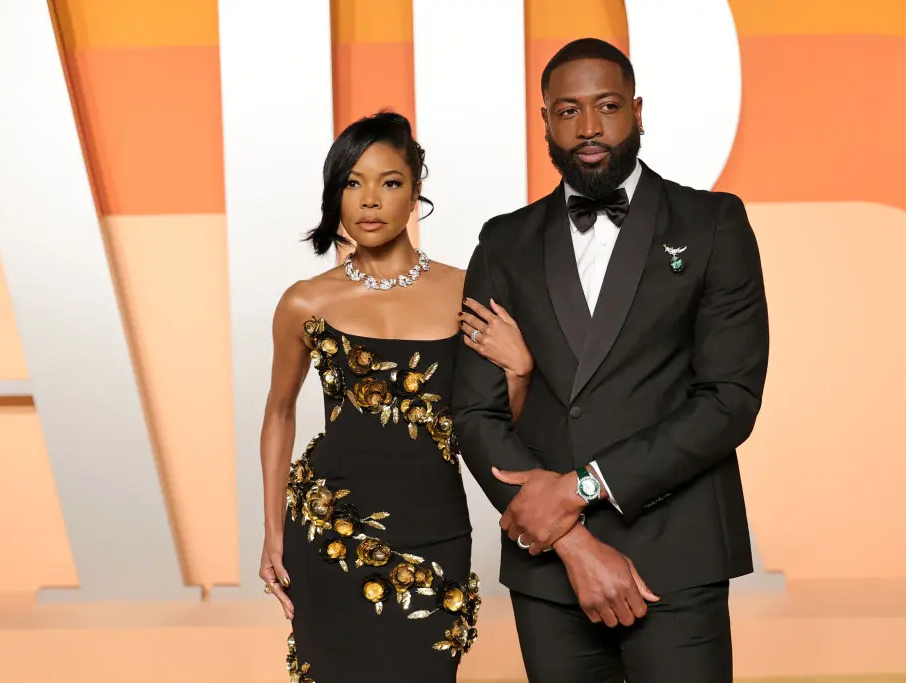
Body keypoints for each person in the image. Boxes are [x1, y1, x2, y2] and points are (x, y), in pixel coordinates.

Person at [452, 38, 770, 682]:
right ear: (545, 121)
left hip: (677, 554)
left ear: (638, 111)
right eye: (568, 111)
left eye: (607, 106)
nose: (589, 128)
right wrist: (568, 539)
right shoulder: (504, 241)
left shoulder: (711, 223)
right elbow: (475, 412)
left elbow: (729, 400)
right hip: (549, 567)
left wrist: (582, 487)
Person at [257, 112, 528, 682]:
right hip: (327, 531)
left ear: (416, 189)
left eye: (390, 182)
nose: (369, 200)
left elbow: (500, 424)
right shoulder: (305, 302)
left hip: (433, 533)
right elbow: (279, 412)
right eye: (352, 183)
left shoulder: (467, 291)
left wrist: (522, 370)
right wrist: (273, 531)